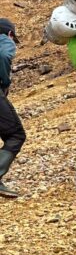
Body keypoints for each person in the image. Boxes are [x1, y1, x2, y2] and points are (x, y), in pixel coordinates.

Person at [0, 19, 26, 199]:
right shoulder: (4, 40)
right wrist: (4, 82)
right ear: (10, 34)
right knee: (16, 135)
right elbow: (4, 55)